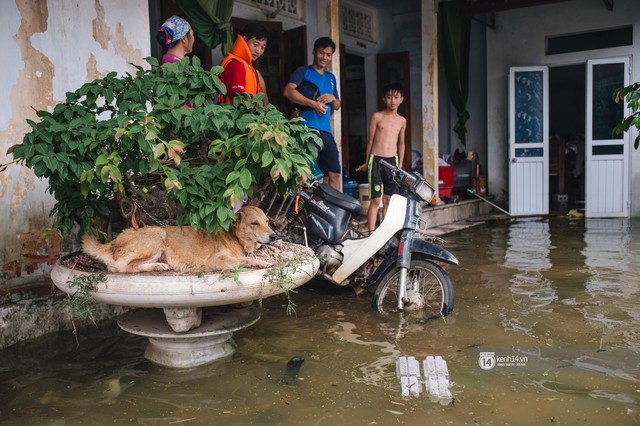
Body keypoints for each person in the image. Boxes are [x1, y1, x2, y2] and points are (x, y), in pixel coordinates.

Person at [283, 37, 342, 190]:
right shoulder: (303, 71)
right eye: (321, 53)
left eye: (328, 54)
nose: (324, 57)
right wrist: (313, 104)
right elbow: (288, 92)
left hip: (326, 132)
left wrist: (333, 97)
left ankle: (332, 212)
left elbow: (337, 105)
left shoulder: (331, 78)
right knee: (306, 174)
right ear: (314, 52)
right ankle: (304, 210)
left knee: (334, 173)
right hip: (306, 129)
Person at [356, 82, 406, 233]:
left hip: (392, 163)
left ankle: (384, 233)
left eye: (396, 97)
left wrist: (400, 165)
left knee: (388, 200)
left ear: (401, 99)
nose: (392, 100)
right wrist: (367, 162)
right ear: (383, 99)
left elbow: (402, 143)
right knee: (376, 200)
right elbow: (370, 140)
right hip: (376, 160)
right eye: (389, 97)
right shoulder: (377, 116)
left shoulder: (402, 120)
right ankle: (371, 233)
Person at [219, 23, 269, 104]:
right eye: (255, 44)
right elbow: (238, 103)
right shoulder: (236, 65)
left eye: (263, 47)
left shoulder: (250, 68)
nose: (258, 51)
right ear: (244, 39)